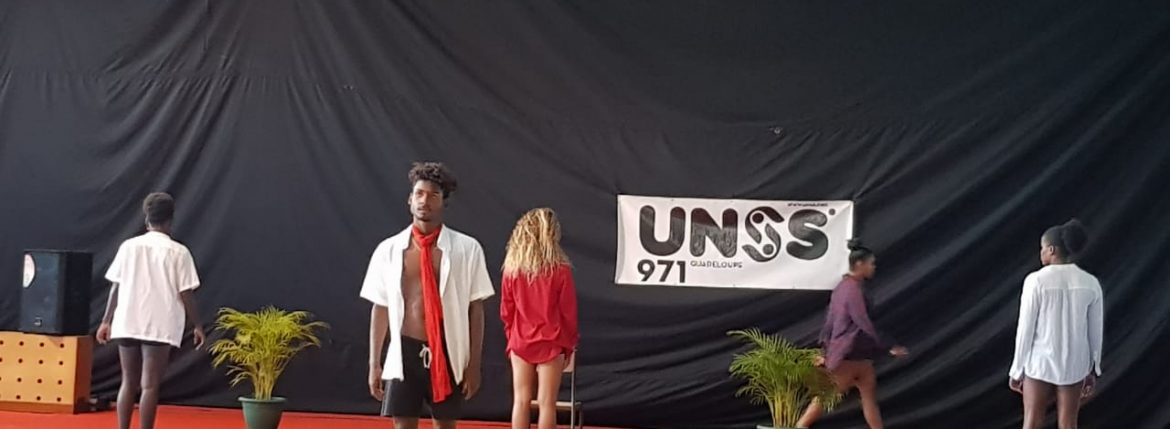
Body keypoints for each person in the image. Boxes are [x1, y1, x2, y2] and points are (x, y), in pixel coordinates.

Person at [361, 162, 495, 429]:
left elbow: (476, 308)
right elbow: (381, 307)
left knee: (445, 425)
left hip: (448, 349)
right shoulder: (389, 250)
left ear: (444, 202)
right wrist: (374, 363)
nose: (425, 201)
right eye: (419, 194)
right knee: (402, 425)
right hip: (404, 350)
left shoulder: (467, 249)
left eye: (433, 195)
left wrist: (474, 365)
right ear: (410, 200)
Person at [96, 192, 206, 429]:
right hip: (160, 324)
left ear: (146, 219)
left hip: (127, 320)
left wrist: (106, 321)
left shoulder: (128, 247)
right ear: (170, 220)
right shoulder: (179, 252)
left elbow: (116, 286)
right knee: (149, 385)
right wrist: (197, 325)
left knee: (128, 382)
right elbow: (186, 293)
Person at [797, 239, 908, 429]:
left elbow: (829, 321)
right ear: (859, 264)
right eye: (871, 263)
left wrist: (825, 349)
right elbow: (862, 321)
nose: (873, 267)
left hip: (856, 355)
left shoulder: (842, 287)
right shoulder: (853, 290)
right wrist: (889, 345)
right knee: (825, 400)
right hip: (849, 355)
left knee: (868, 400)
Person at [1008, 219, 1103, 429]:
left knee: (1032, 422)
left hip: (1039, 363)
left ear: (1051, 250)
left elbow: (1025, 329)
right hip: (1074, 365)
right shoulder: (1090, 283)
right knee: (1069, 424)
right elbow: (1095, 331)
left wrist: (1017, 369)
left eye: (1042, 248)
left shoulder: (1035, 281)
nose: (1040, 253)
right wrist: (1093, 367)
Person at [500, 208, 579, 429]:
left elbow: (506, 310)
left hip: (520, 341)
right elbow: (568, 313)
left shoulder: (512, 270)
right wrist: (569, 344)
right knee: (547, 403)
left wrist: (512, 336)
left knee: (521, 401)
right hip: (552, 341)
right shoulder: (561, 270)